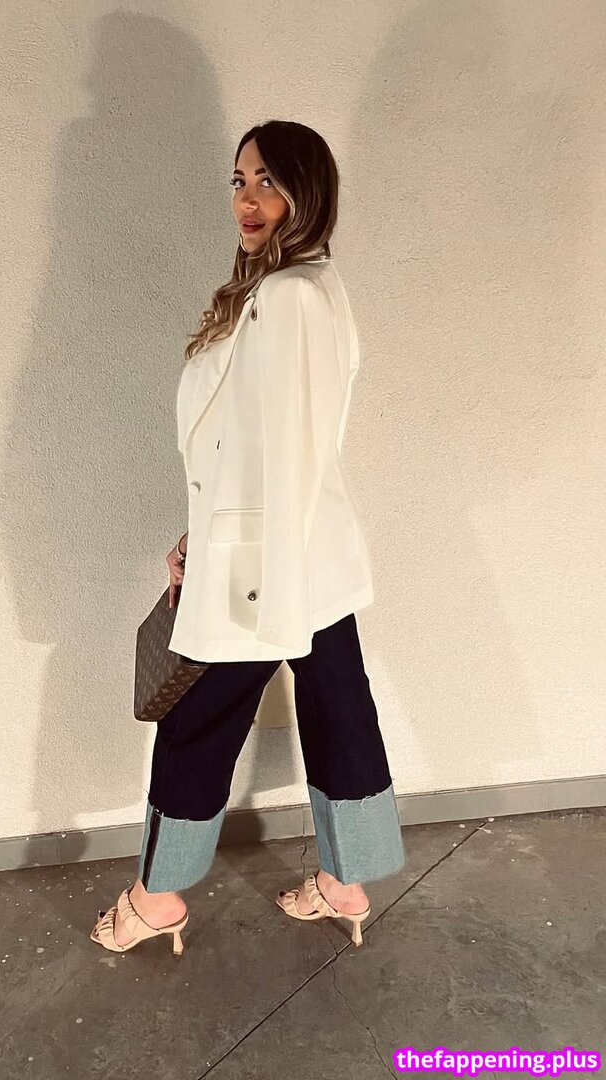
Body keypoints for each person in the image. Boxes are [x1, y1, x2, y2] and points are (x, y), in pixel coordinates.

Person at [91, 120, 406, 956]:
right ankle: (345, 882)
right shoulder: (307, 285)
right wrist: (199, 533)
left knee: (196, 718)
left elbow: (279, 451)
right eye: (239, 181)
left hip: (264, 561)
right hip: (303, 551)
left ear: (309, 190)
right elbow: (258, 443)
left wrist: (224, 559)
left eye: (268, 180)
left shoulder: (289, 297)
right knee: (337, 708)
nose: (249, 199)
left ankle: (156, 899)